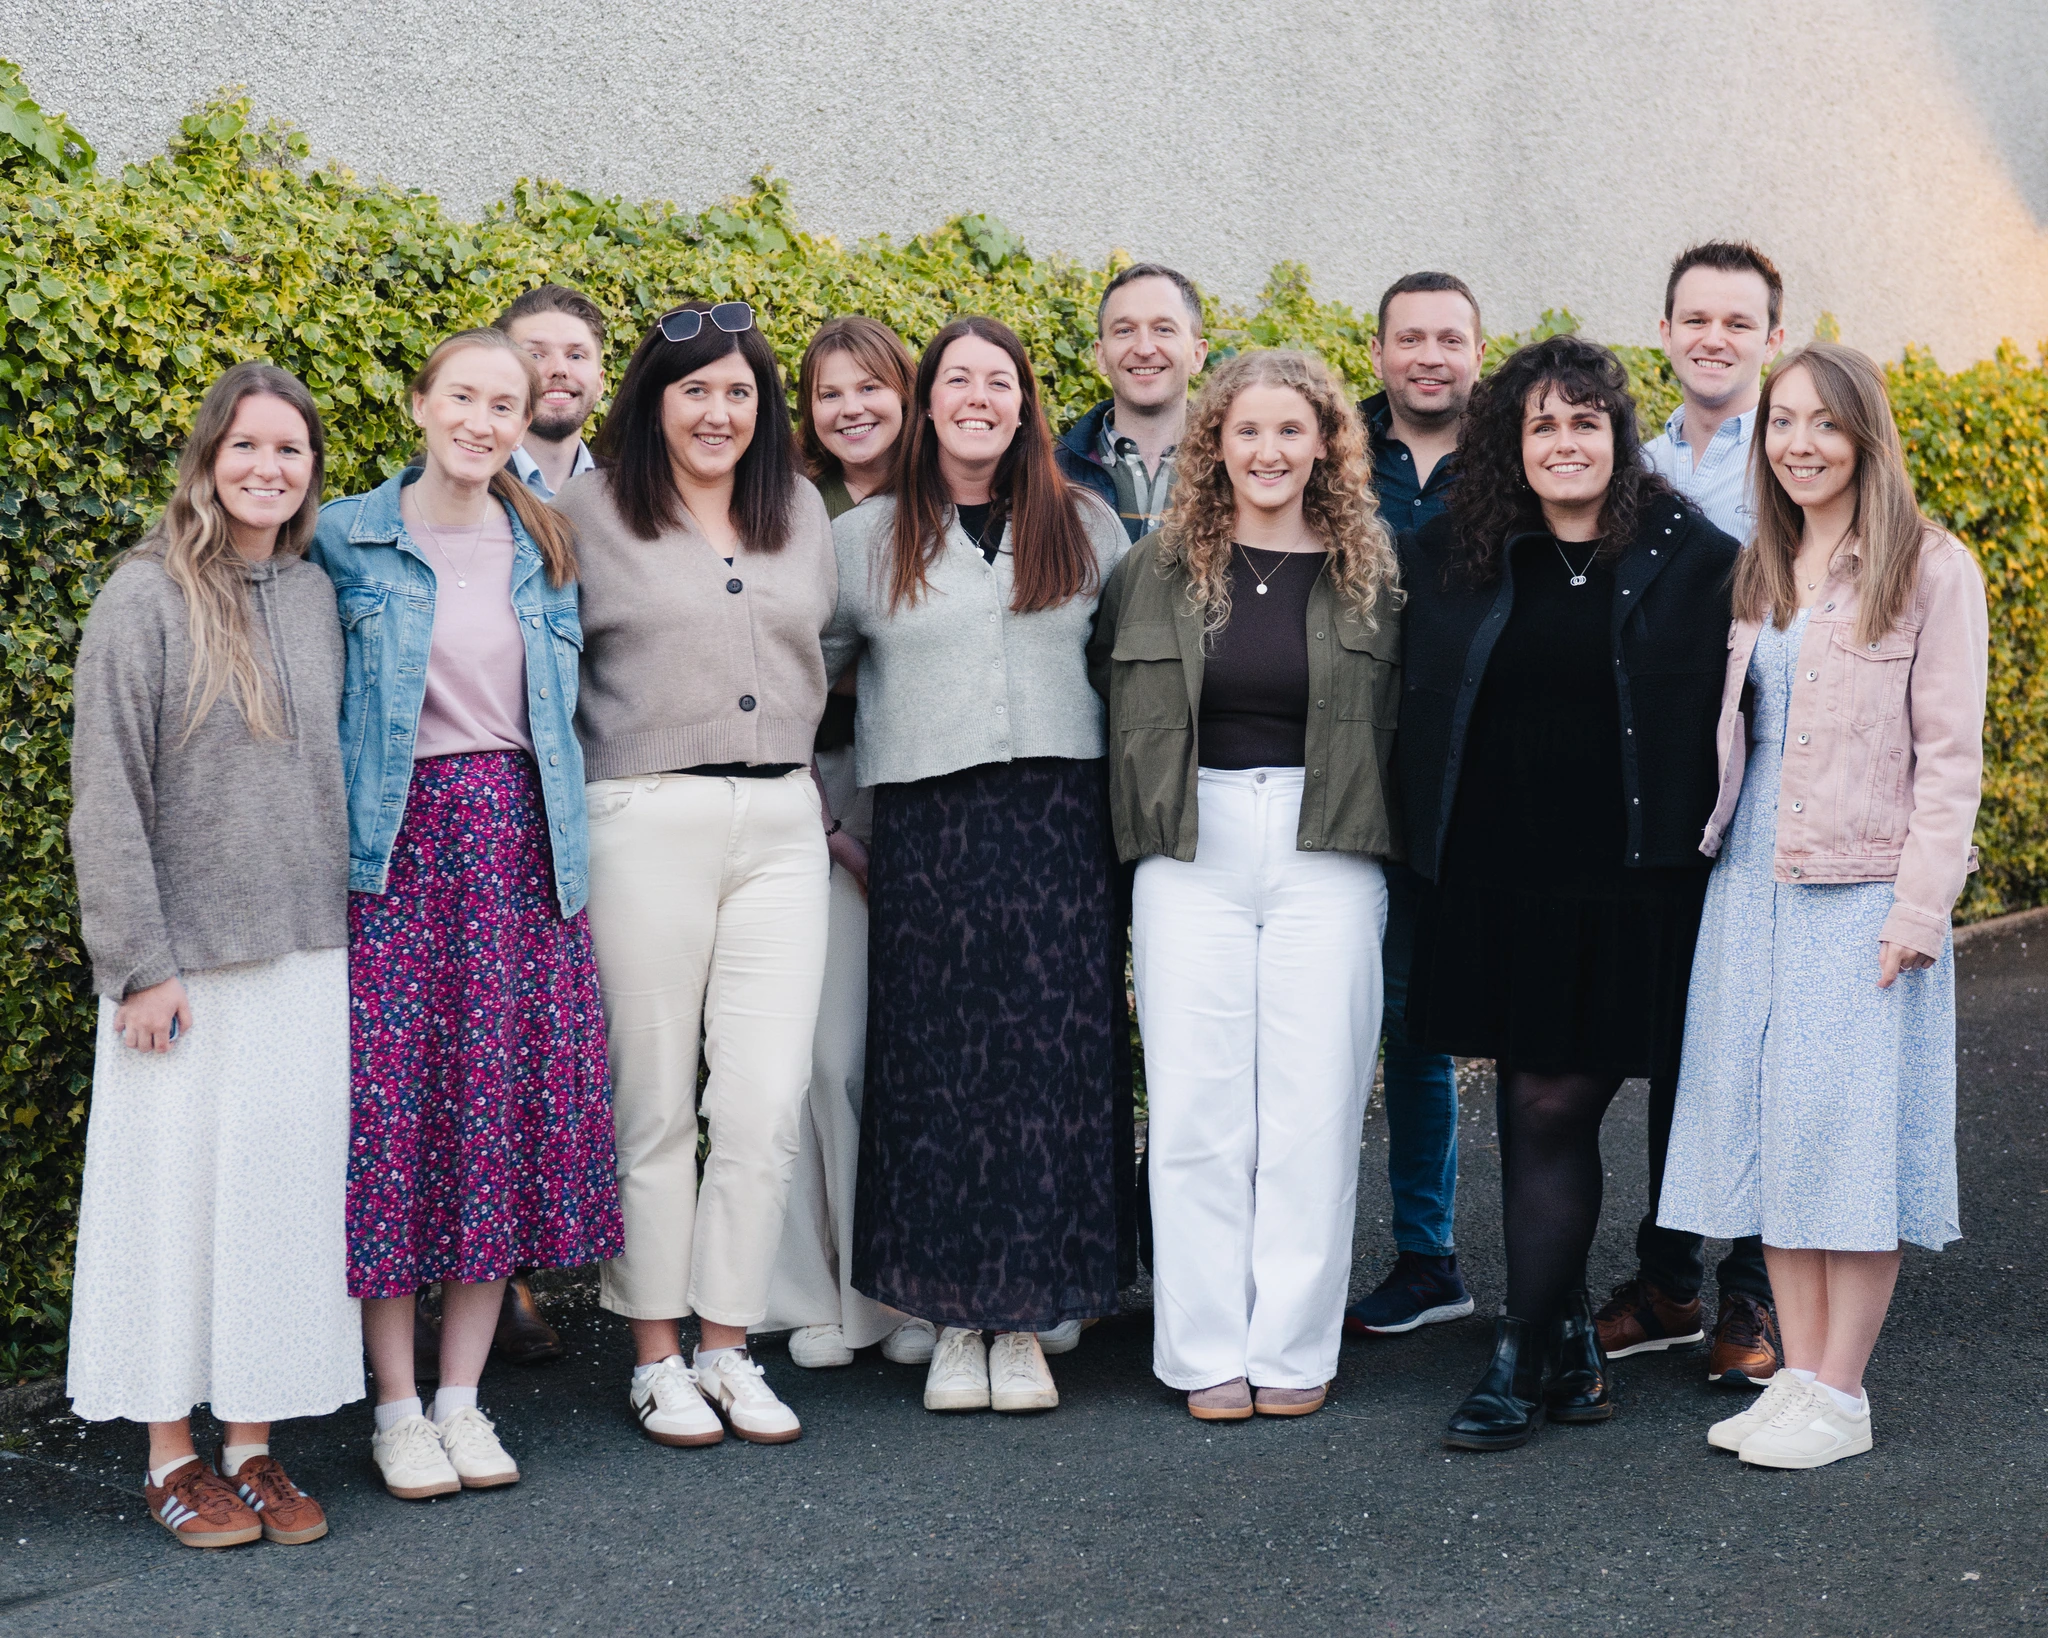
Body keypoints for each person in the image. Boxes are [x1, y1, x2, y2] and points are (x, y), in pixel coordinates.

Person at [1395, 335, 1738, 1451]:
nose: (1563, 440)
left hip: (1632, 880)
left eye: (1583, 420)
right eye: (1540, 423)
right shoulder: (1450, 547)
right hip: (1498, 878)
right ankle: (1559, 1342)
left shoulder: (1691, 551)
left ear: (1616, 434)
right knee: (1531, 1104)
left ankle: (1525, 1348)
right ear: (1510, 441)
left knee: (1554, 1102)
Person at [1657, 343, 1986, 1470]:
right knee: (1774, 1139)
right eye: (1780, 422)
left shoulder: (1929, 568)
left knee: (1847, 1145)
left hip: (1860, 892)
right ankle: (1796, 1380)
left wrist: (1917, 907)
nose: (1797, 442)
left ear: (1863, 436)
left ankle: (1841, 1395)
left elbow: (1948, 760)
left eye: (1821, 423)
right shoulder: (1762, 565)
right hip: (1750, 881)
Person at [312, 328, 623, 1500]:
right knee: (392, 1129)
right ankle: (394, 1407)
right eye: (464, 397)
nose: (484, 420)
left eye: (506, 403)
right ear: (419, 403)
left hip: (523, 852)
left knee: (494, 1124)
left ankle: (461, 1399)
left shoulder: (545, 539)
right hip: (394, 854)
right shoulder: (346, 536)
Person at [66, 363, 358, 1549]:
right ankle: (172, 1456)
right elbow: (106, 793)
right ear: (207, 457)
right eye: (246, 447)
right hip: (179, 970)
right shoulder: (142, 596)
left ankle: (253, 1444)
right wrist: (137, 963)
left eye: (289, 451)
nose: (267, 469)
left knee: (276, 1214)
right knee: (167, 1214)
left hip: (304, 955)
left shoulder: (317, 593)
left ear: (310, 472)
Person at [825, 315, 1131, 1416]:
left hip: (1058, 820)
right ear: (928, 400)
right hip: (927, 825)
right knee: (937, 1067)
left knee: (1050, 1070)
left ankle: (1030, 1312)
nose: (977, 398)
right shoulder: (864, 540)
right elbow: (800, 682)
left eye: (997, 381)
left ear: (1023, 402)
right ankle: (952, 1316)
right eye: (957, 379)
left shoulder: (1086, 524)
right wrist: (821, 821)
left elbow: (1134, 674)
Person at [1091, 349, 1401, 1420]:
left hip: (1329, 849)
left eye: (1288, 431)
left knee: (1311, 1111)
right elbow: (1100, 695)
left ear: (1323, 444)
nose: (1267, 451)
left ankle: (1293, 1348)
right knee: (1192, 1111)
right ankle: (1202, 1350)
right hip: (1191, 849)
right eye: (1246, 432)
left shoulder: (1373, 573)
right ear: (1212, 445)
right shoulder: (1152, 570)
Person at [552, 300, 836, 1449]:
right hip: (643, 815)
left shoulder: (801, 509)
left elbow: (842, 659)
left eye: (737, 392)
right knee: (654, 1098)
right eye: (693, 390)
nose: (717, 411)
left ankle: (730, 1343)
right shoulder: (587, 510)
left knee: (765, 1098)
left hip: (781, 820)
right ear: (652, 402)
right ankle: (657, 1353)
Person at [1604, 240, 1790, 1387]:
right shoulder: (1631, 463)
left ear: (1772, 336)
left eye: (1736, 320)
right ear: (1664, 332)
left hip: (1778, 789)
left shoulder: (1802, 445)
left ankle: (1753, 1295)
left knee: (1767, 1044)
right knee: (1682, 1038)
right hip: (1667, 798)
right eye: (1693, 318)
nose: (1712, 337)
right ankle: (1668, 1275)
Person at [765, 315, 939, 1371]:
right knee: (819, 1058)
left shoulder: (945, 501)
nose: (852, 410)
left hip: (921, 794)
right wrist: (825, 819)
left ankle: (914, 1286)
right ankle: (831, 1288)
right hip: (817, 790)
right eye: (830, 394)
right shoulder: (791, 510)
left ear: (905, 396)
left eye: (870, 388)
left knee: (908, 1059)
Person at [1345, 271, 1486, 1340]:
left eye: (1448, 337)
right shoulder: (1335, 457)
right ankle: (1425, 1257)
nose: (1427, 355)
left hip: (1492, 782)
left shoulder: (1521, 456)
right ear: (1380, 349)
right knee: (1402, 1029)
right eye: (1409, 338)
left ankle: (1550, 1270)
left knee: (1528, 1034)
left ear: (1476, 350)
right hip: (1365, 781)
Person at [1055, 263, 1209, 542]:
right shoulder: (1051, 476)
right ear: (1101, 356)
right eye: (1125, 331)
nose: (1144, 349)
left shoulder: (1235, 472)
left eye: (1163, 329)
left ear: (1198, 355)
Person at [498, 283, 606, 501]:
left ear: (600, 383)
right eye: (535, 355)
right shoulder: (462, 487)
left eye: (576, 355)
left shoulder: (632, 495)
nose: (559, 369)